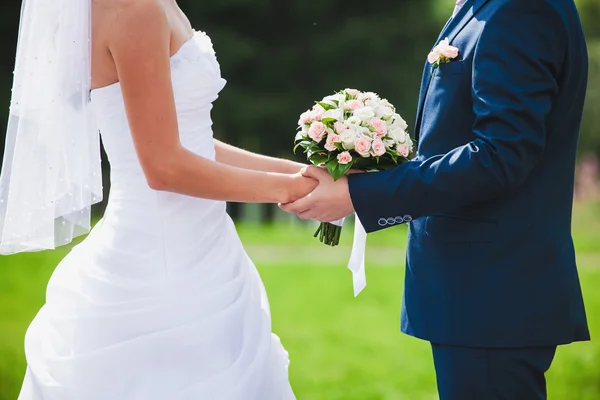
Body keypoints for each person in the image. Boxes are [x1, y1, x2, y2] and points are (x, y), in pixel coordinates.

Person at [1, 0, 314, 398]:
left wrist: (298, 174)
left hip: (204, 247)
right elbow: (164, 168)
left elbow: (192, 143)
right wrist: (290, 192)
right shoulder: (136, 10)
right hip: (162, 260)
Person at [282, 0, 590, 398]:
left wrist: (360, 195)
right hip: (475, 292)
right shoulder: (487, 7)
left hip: (492, 293)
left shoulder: (521, 9)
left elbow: (501, 156)